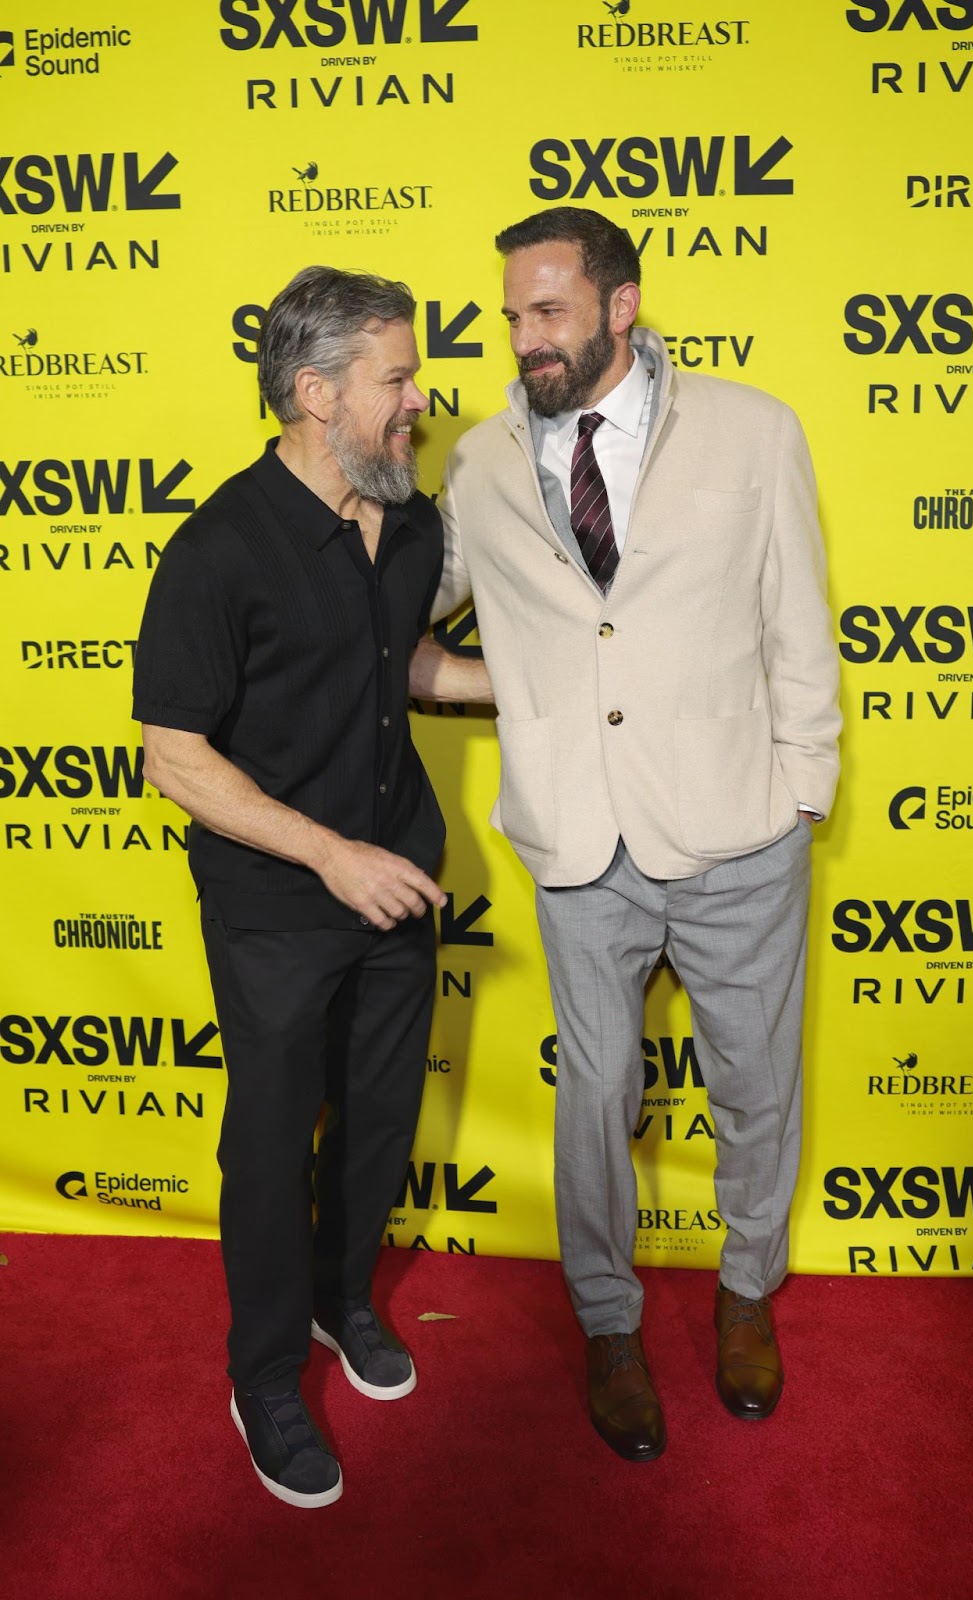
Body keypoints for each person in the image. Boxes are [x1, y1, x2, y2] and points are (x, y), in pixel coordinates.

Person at [432, 207, 841, 1462]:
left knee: (757, 1087)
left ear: (622, 305)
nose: (524, 339)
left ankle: (745, 1290)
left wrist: (803, 790)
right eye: (511, 315)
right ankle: (608, 1323)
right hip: (576, 839)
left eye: (547, 311)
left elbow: (797, 616)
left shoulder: (755, 431)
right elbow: (413, 599)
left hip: (735, 829)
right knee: (595, 1095)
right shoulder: (488, 460)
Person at [133, 265, 490, 1508]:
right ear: (313, 392)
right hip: (281, 903)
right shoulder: (221, 545)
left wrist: (550, 690)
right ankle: (267, 1372)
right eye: (396, 380)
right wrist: (331, 854)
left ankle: (347, 1301)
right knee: (274, 1140)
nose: (419, 401)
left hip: (398, 881)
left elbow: (414, 662)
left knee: (379, 1121)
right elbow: (172, 755)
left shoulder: (416, 519)